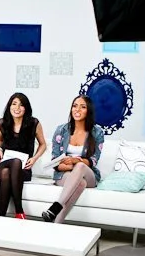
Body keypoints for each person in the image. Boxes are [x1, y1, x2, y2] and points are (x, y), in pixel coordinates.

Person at [42, 95, 105, 223]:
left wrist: (76, 162)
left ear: (89, 111)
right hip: (63, 173)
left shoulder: (97, 132)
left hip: (88, 174)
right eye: (75, 106)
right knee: (80, 183)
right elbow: (56, 161)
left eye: (83, 107)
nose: (77, 110)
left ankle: (56, 206)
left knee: (81, 167)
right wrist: (70, 166)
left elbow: (93, 161)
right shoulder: (61, 130)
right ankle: (56, 224)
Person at [0, 92, 47, 219]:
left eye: (21, 105)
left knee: (7, 173)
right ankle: (19, 211)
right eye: (14, 104)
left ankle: (1, 217)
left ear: (26, 108)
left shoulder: (34, 123)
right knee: (11, 165)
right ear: (9, 106)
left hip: (23, 168)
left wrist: (34, 159)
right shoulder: (1, 123)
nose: (17, 108)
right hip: (4, 163)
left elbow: (43, 144)